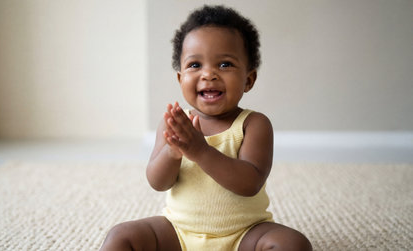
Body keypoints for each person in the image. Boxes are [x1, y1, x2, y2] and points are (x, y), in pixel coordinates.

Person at [100, 5, 312, 251]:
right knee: (121, 235)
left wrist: (200, 150)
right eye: (194, 65)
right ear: (180, 79)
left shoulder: (254, 124)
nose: (209, 74)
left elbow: (249, 183)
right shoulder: (174, 124)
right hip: (178, 233)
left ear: (249, 79)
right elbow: (157, 182)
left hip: (243, 235)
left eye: (224, 64)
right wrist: (173, 152)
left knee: (294, 244)